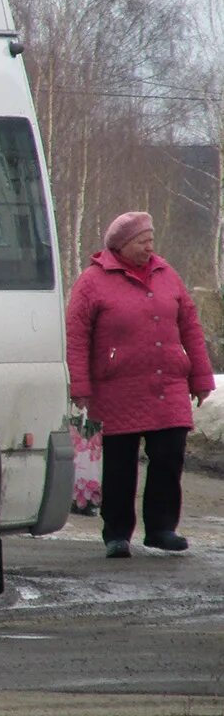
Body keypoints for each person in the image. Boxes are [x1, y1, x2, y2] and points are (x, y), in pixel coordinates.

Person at [66, 212, 215, 559]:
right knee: (120, 463)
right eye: (142, 240)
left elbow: (190, 325)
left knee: (169, 455)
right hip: (119, 386)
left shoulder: (166, 274)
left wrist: (201, 377)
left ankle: (162, 528)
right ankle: (117, 533)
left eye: (151, 239)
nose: (150, 246)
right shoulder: (92, 281)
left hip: (169, 383)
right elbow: (77, 336)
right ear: (120, 245)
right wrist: (81, 385)